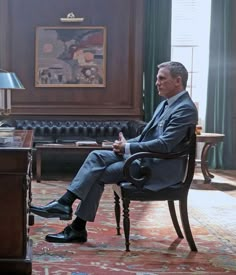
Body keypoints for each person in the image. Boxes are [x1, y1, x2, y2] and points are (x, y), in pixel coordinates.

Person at [30, 61, 198, 243]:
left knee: (97, 166)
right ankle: (72, 217)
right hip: (146, 160)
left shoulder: (185, 109)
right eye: (157, 78)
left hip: (157, 168)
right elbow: (145, 137)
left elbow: (165, 145)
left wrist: (128, 148)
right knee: (97, 162)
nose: (157, 82)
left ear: (178, 81)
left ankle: (70, 214)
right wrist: (124, 144)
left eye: (161, 78)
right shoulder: (166, 104)